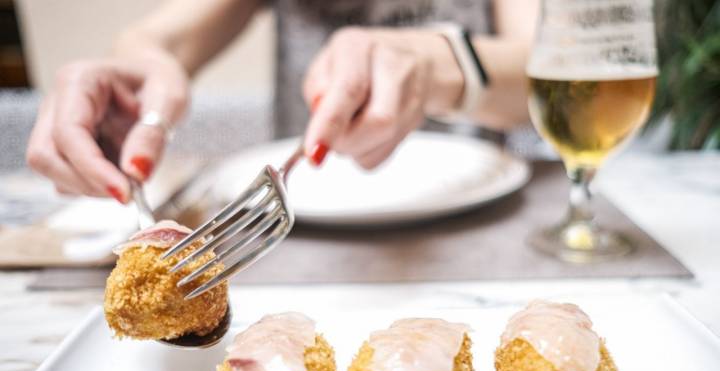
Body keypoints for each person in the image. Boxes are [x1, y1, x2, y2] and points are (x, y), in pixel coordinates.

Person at [26, 0, 538, 204]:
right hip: (294, 231)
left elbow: (548, 76)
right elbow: (161, 40)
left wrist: (437, 62)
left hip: (485, 213)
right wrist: (135, 75)